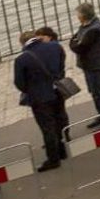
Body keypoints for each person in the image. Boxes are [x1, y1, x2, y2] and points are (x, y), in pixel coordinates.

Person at [14, 29, 70, 171]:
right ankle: (63, 149)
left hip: (39, 97)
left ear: (23, 42)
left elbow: (19, 83)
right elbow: (62, 65)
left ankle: (53, 159)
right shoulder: (55, 46)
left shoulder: (22, 59)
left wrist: (31, 89)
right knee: (60, 119)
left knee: (47, 127)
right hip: (57, 90)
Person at [69, 2, 100, 129]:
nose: (77, 16)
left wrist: (73, 43)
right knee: (94, 92)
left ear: (83, 15)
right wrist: (75, 42)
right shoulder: (87, 26)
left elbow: (79, 47)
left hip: (96, 64)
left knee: (99, 92)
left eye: (78, 14)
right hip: (89, 65)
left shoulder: (93, 29)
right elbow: (76, 39)